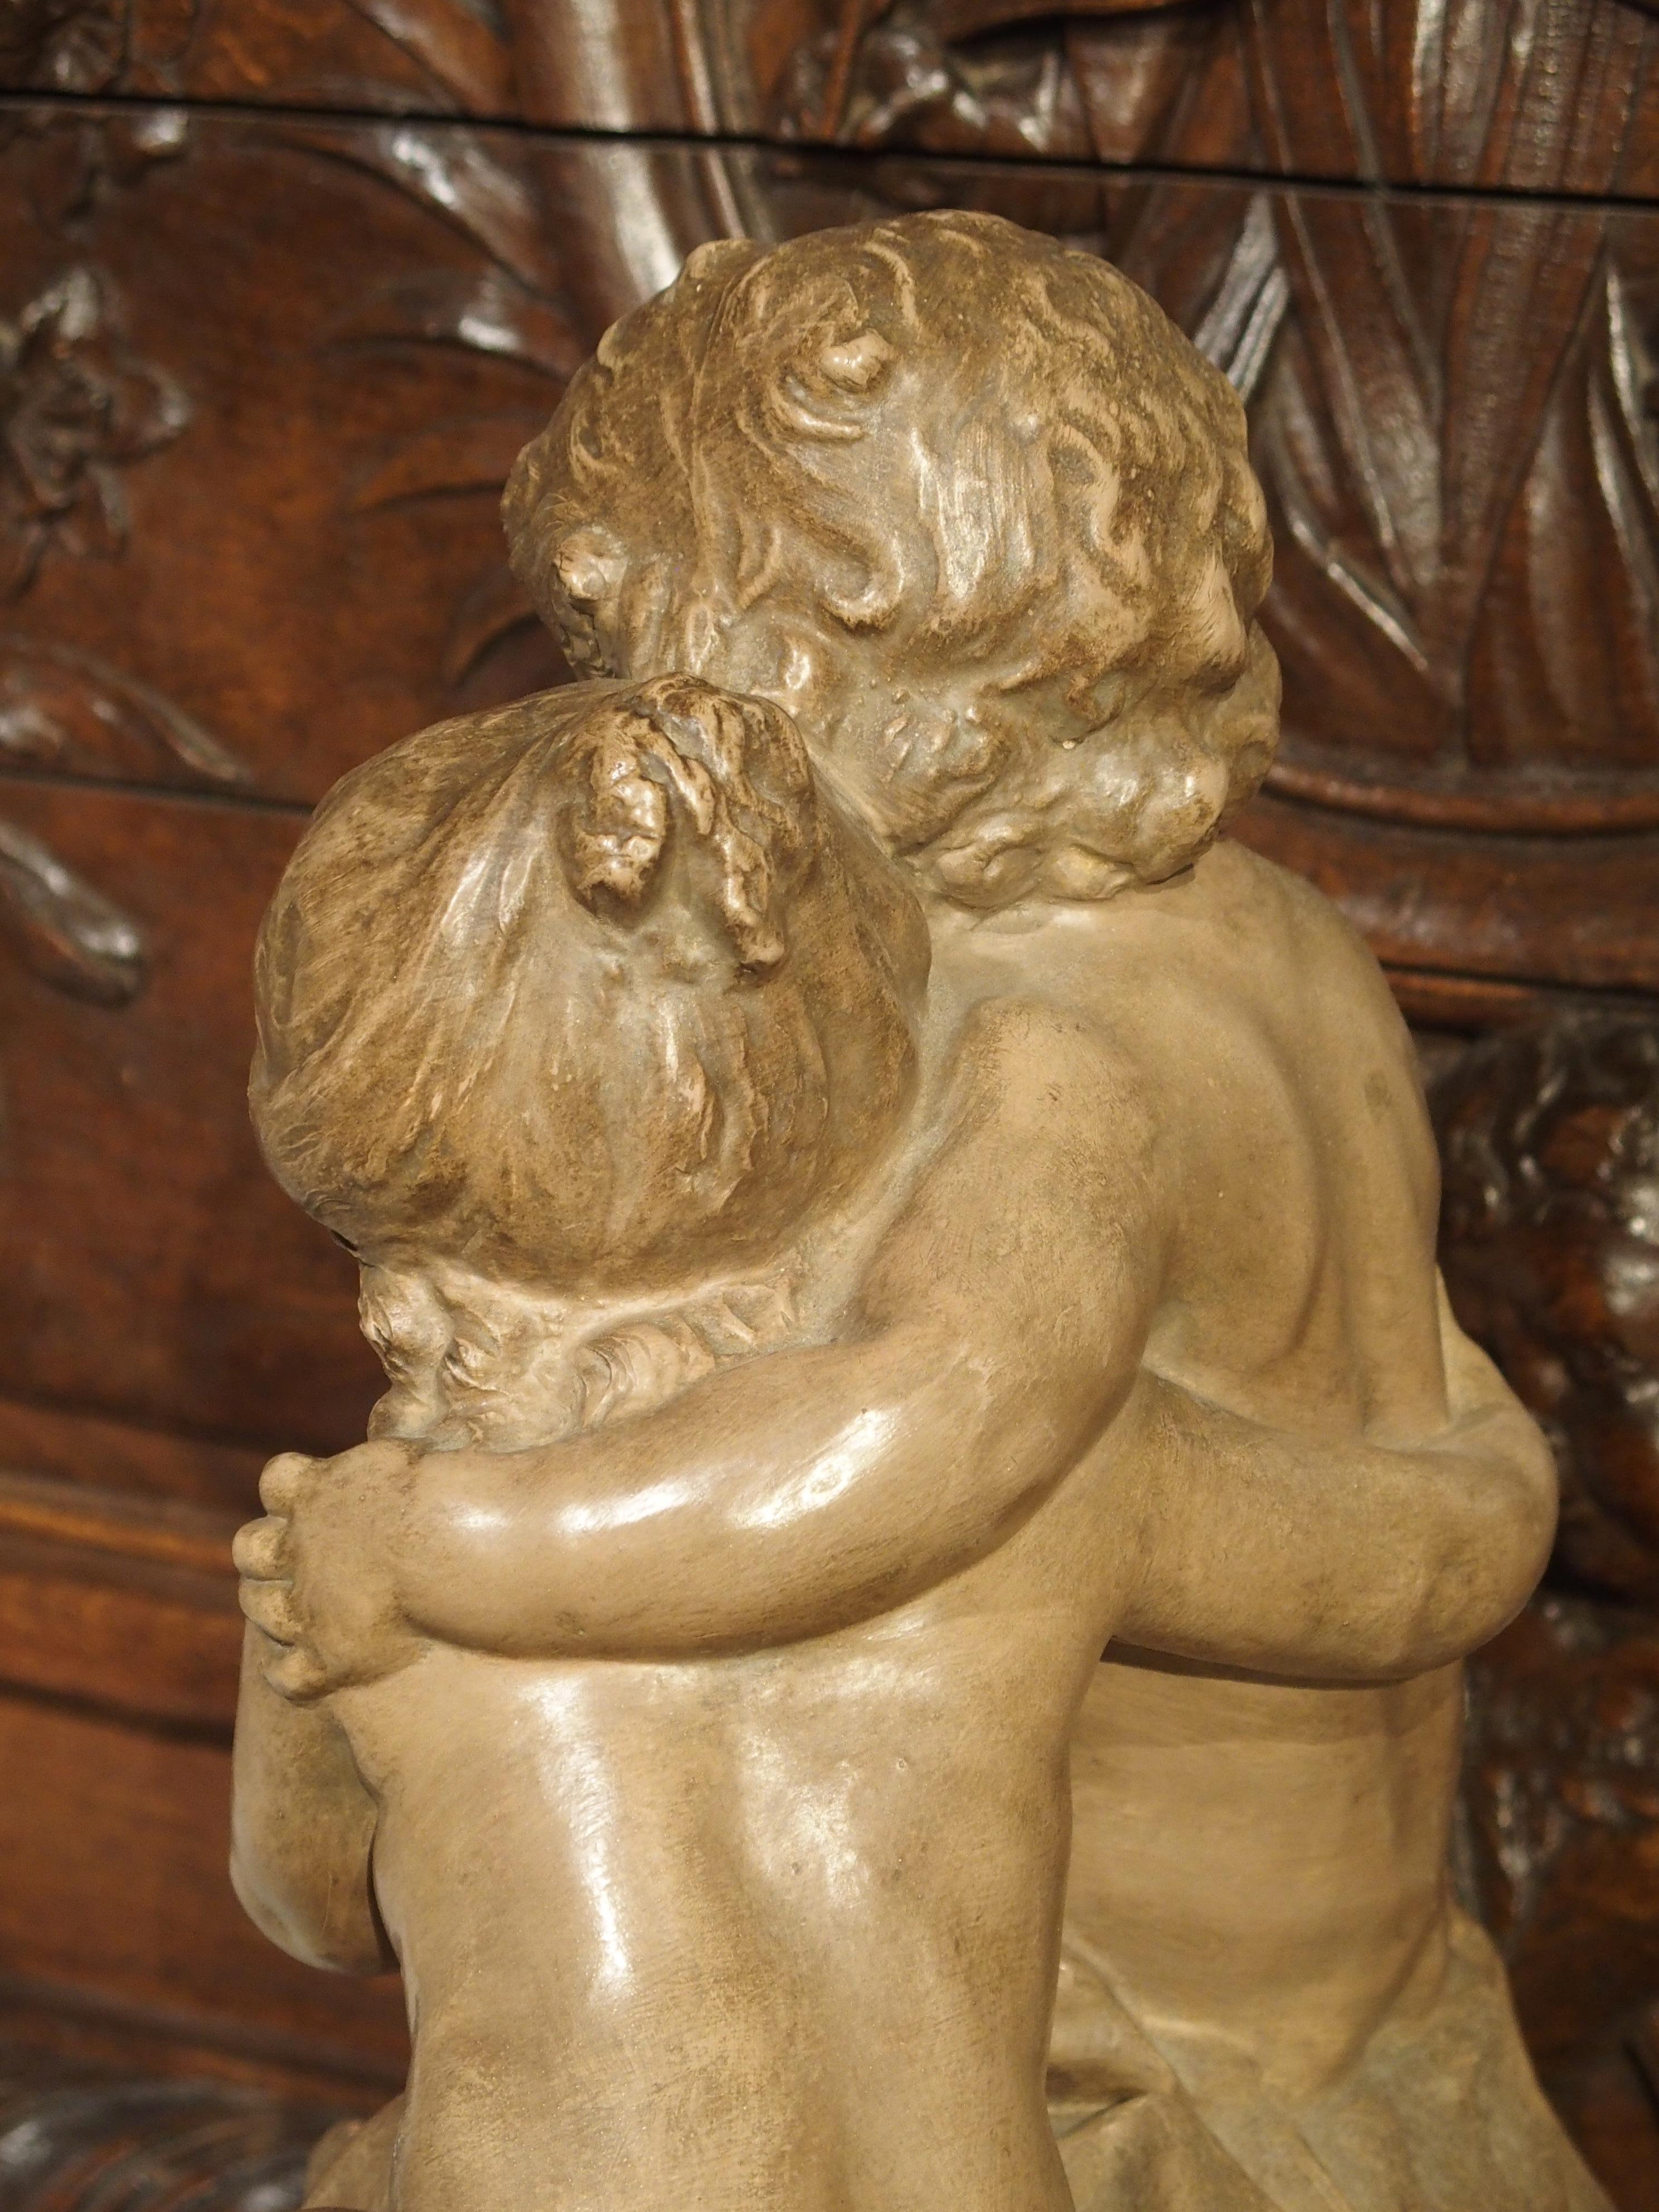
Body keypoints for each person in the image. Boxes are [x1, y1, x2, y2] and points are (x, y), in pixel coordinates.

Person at [236, 212, 1589, 2211]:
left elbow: (933, 1428)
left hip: (1127, 2055)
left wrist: (455, 1543)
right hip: (1364, 1994)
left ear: (805, 642)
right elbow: (1428, 1481)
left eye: (634, 659)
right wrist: (1488, 1510)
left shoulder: (1012, 1039)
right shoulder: (1299, 950)